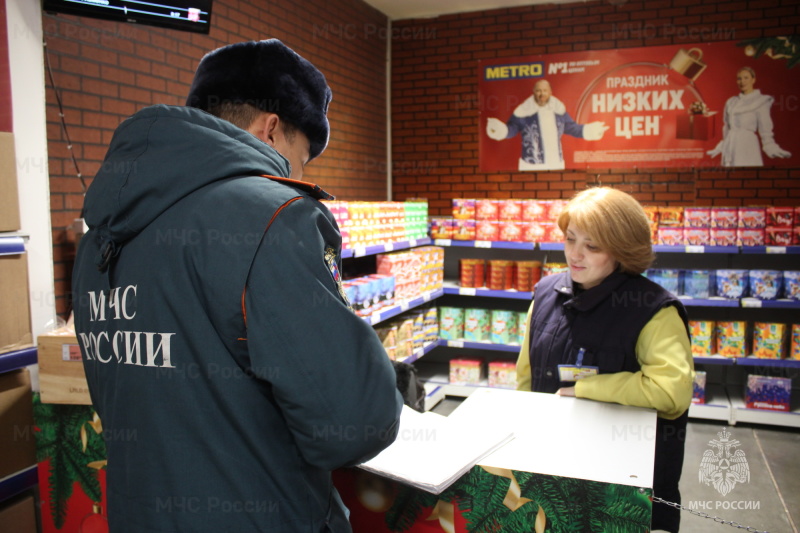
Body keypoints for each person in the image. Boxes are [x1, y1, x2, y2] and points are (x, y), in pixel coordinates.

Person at [72, 39, 403, 533]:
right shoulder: (272, 216)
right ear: (271, 128)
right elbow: (351, 426)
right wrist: (387, 379)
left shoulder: (101, 233)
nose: (294, 173)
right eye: (300, 157)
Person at [516, 187, 694, 533]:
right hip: (550, 469)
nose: (575, 254)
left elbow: (672, 394)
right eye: (570, 240)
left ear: (623, 249)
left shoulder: (654, 310)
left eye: (592, 246)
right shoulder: (544, 294)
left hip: (622, 488)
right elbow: (526, 376)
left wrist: (586, 389)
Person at [485, 79, 609, 170]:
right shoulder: (524, 112)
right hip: (531, 166)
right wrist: (500, 130)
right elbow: (511, 129)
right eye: (538, 90)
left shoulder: (558, 111)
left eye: (544, 90)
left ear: (550, 92)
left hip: (556, 164)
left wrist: (592, 129)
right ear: (534, 92)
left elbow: (572, 128)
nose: (541, 94)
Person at [707, 66, 791, 166]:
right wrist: (721, 146)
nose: (742, 81)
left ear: (753, 79)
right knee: (730, 179)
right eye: (739, 79)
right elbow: (727, 127)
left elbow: (765, 129)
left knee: (746, 175)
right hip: (730, 145)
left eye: (746, 78)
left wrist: (770, 146)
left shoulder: (761, 101)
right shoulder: (731, 102)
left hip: (747, 145)